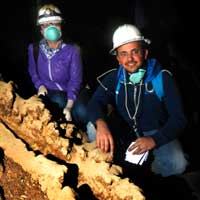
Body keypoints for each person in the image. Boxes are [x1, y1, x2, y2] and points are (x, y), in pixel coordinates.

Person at [87, 24, 189, 178]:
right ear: (118, 59)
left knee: (177, 163)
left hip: (155, 132)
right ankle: (109, 170)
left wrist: (154, 140)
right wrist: (101, 124)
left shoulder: (162, 77)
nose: (130, 59)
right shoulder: (114, 77)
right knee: (93, 126)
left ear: (145, 52)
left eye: (135, 52)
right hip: (125, 130)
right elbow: (94, 103)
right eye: (124, 54)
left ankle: (150, 176)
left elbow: (179, 119)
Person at [28, 4, 88, 127]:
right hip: (52, 91)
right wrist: (39, 85)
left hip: (74, 90)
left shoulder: (73, 50)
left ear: (61, 26)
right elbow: (32, 70)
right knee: (58, 104)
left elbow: (75, 80)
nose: (51, 29)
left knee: (83, 112)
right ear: (41, 29)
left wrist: (69, 106)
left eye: (55, 24)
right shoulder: (34, 49)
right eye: (46, 25)